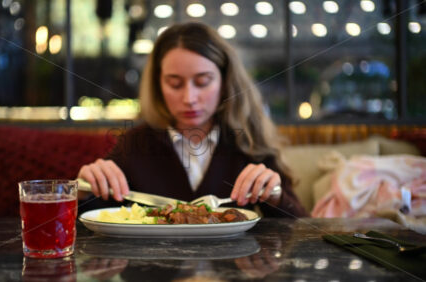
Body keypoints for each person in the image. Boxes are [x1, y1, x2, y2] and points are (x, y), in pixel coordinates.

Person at [78, 22, 307, 217]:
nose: (189, 98)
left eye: (203, 81)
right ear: (158, 85)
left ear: (225, 82)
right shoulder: (133, 143)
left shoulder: (248, 141)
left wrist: (276, 196)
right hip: (152, 268)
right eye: (175, 83)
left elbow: (302, 226)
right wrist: (82, 192)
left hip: (232, 268)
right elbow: (94, 222)